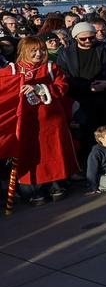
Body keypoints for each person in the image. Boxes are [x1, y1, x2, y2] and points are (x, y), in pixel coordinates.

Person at [0, 37, 78, 204]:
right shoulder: (12, 70)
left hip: (51, 120)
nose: (39, 54)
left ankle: (56, 185)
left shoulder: (51, 67)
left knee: (53, 152)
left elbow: (62, 87)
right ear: (23, 51)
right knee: (29, 155)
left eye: (42, 50)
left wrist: (39, 88)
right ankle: (35, 190)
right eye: (33, 50)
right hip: (25, 122)